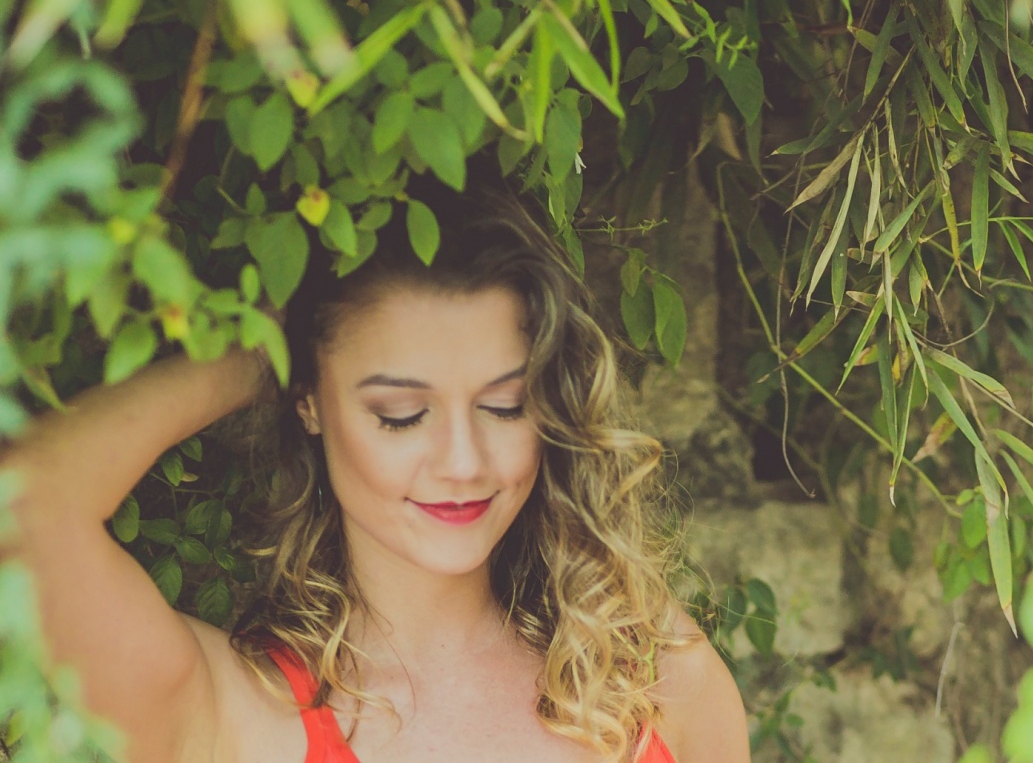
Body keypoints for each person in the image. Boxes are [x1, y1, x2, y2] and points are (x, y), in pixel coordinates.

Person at [0, 172, 750, 763]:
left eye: (504, 405)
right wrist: (268, 350)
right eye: (401, 414)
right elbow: (25, 502)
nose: (463, 462)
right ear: (311, 403)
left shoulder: (654, 677)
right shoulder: (234, 716)